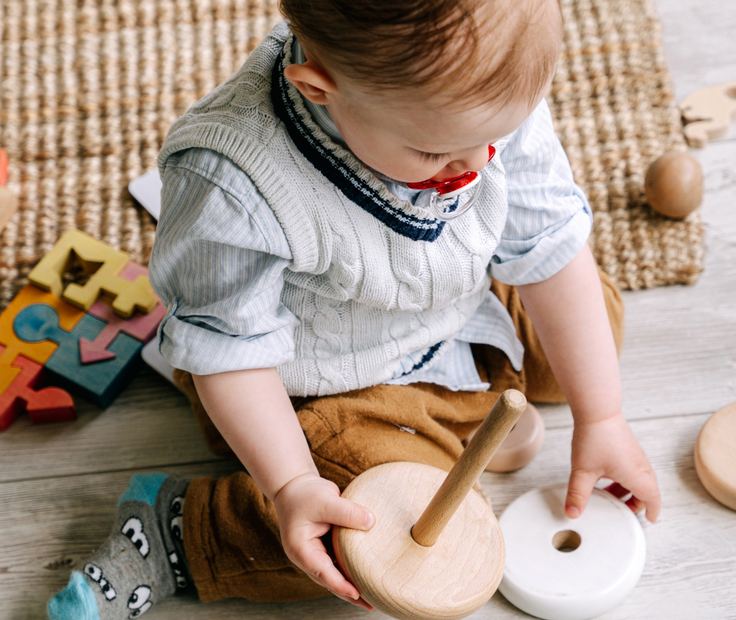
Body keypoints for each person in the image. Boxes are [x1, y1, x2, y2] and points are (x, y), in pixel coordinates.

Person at [48, 1, 660, 618]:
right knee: (369, 531)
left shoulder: (481, 94)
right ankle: (178, 530)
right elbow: (228, 352)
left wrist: (602, 415)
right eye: (436, 153)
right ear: (320, 88)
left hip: (455, 307)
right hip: (321, 383)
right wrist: (290, 486)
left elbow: (546, 242)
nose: (477, 164)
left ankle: (469, 405)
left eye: (496, 137)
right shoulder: (232, 181)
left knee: (595, 321)